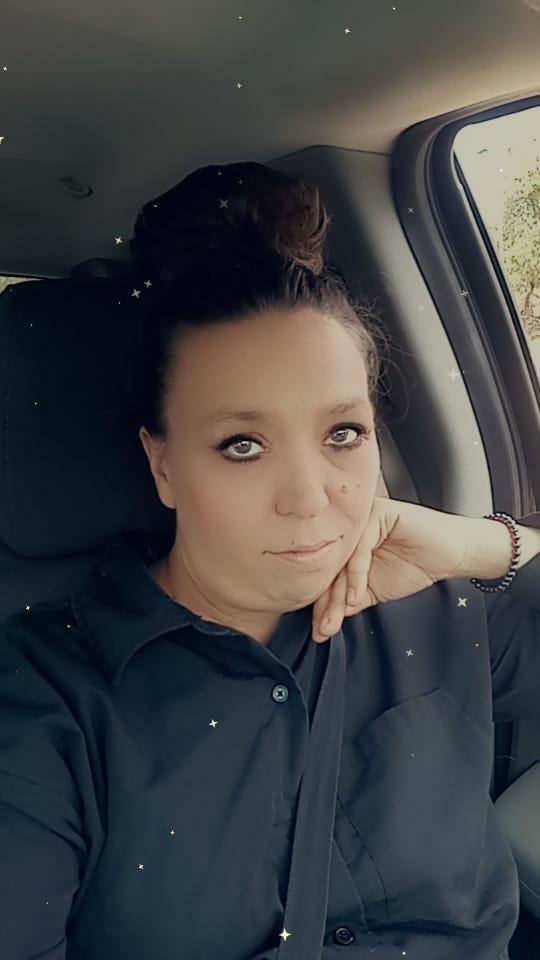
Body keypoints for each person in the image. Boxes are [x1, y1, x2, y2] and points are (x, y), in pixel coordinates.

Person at [0, 160, 539, 960]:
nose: (310, 499)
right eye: (242, 445)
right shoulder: (45, 699)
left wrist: (482, 544)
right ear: (162, 464)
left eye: (343, 434)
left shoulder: (443, 604)